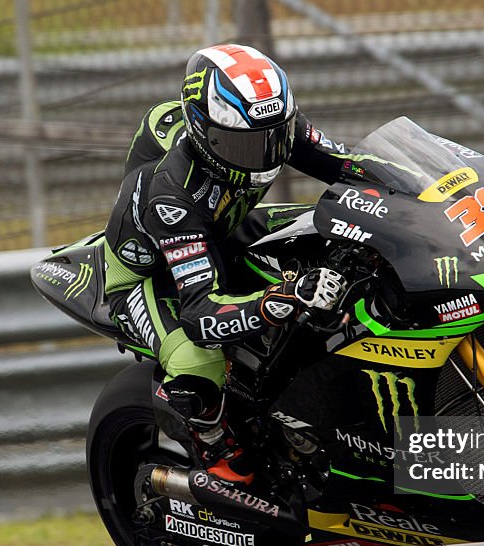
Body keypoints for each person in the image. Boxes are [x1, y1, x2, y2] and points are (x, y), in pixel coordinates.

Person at [102, 43, 351, 487]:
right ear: (204, 133)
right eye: (243, 144)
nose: (265, 155)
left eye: (274, 137)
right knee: (198, 363)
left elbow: (350, 166)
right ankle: (219, 452)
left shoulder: (262, 124)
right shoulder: (171, 194)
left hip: (226, 230)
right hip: (148, 275)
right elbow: (199, 313)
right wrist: (283, 299)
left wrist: (427, 191)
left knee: (333, 230)